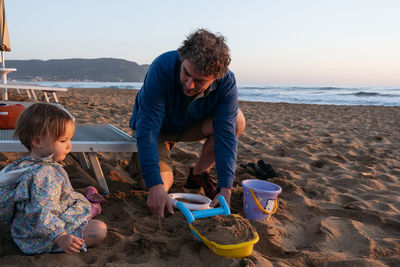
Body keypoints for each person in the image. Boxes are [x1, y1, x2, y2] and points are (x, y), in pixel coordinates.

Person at [129, 29, 245, 217]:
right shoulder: (162, 67)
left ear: (216, 78)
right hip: (157, 131)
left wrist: (226, 189)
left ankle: (198, 173)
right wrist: (155, 186)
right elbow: (147, 129)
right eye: (186, 73)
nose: (189, 85)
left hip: (189, 125)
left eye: (199, 81)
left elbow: (226, 136)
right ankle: (142, 166)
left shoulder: (227, 83)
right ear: (182, 58)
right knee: (160, 185)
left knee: (237, 120)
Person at [0, 103, 107, 255]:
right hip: (40, 237)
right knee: (99, 229)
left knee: (75, 202)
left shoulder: (23, 165)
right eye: (63, 141)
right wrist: (60, 237)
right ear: (37, 142)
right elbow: (41, 212)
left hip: (24, 230)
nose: (69, 146)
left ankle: (89, 205)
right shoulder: (45, 175)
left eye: (69, 140)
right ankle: (93, 207)